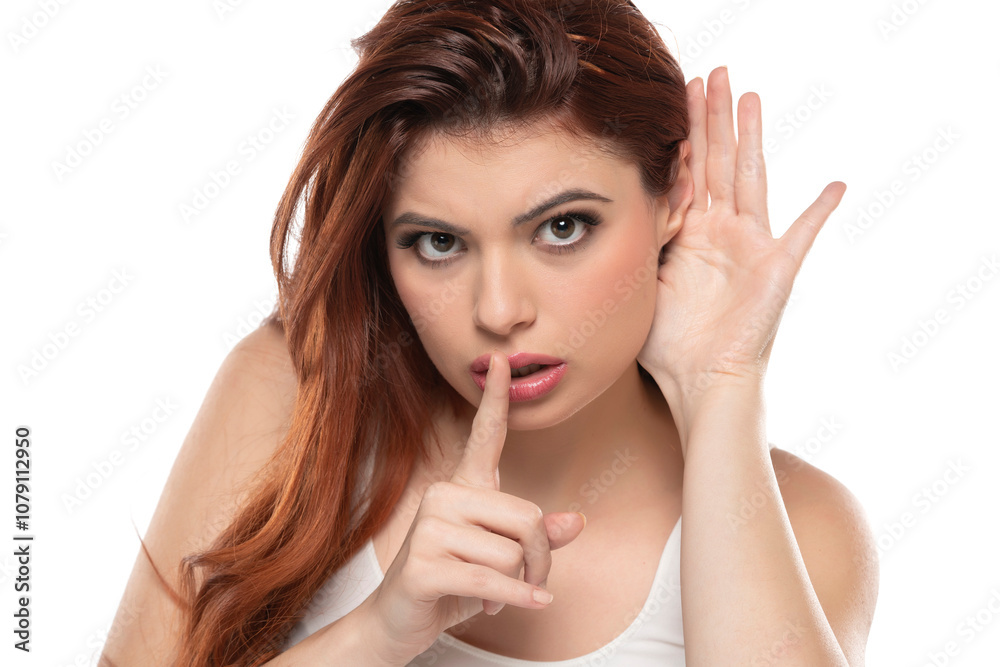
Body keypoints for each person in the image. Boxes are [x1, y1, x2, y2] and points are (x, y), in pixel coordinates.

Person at [101, 0, 879, 664]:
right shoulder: (296, 395)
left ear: (673, 194)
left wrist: (723, 388)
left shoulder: (804, 524)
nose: (499, 310)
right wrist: (378, 631)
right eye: (439, 242)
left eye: (563, 227)